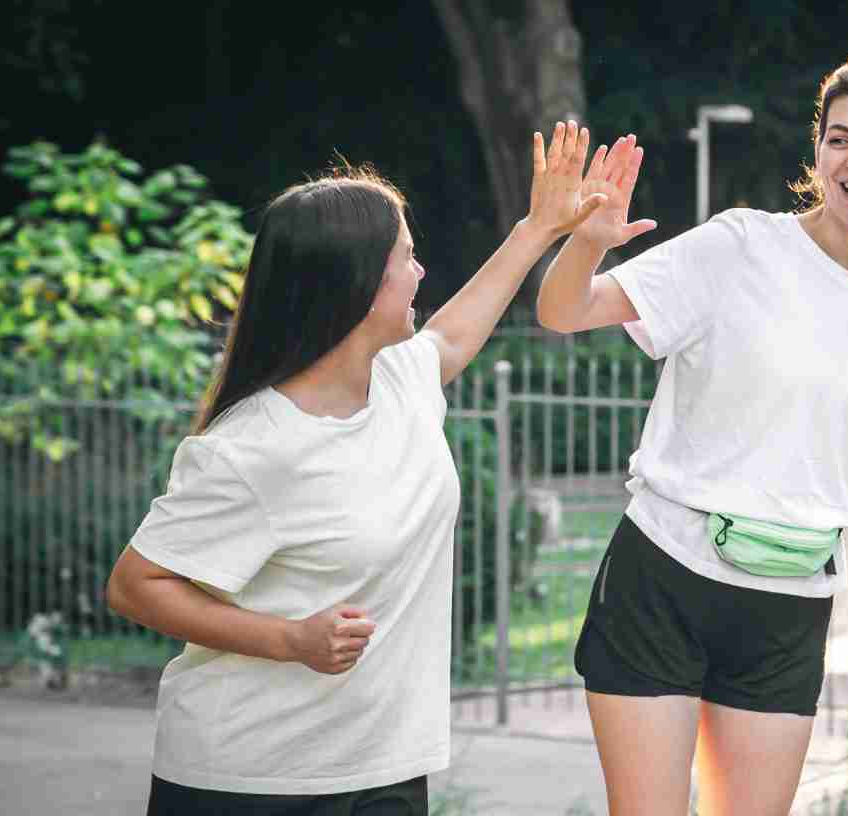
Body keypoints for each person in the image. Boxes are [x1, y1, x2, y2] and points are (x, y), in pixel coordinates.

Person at [537, 50, 848, 816]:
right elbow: (564, 311)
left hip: (789, 604)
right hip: (665, 579)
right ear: (817, 150)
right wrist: (589, 239)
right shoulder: (738, 246)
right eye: (839, 138)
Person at [106, 121, 613, 815]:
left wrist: (537, 230)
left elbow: (454, 334)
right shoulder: (254, 446)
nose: (421, 272)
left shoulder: (398, 380)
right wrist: (288, 639)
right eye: (407, 257)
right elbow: (136, 585)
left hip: (384, 766)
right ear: (360, 283)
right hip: (248, 781)